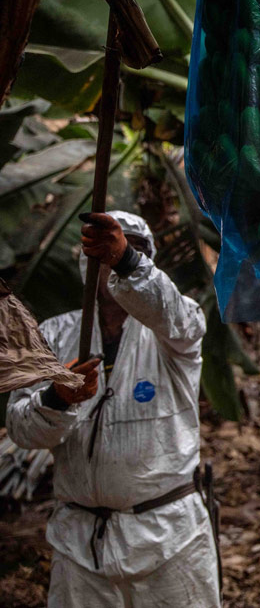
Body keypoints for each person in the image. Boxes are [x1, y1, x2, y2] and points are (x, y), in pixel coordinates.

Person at [7, 211, 218, 607]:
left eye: (132, 250)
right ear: (88, 265)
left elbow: (170, 311)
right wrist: (57, 399)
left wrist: (126, 261)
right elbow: (22, 429)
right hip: (80, 547)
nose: (114, 261)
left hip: (170, 537)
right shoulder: (53, 335)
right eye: (102, 253)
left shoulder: (176, 328)